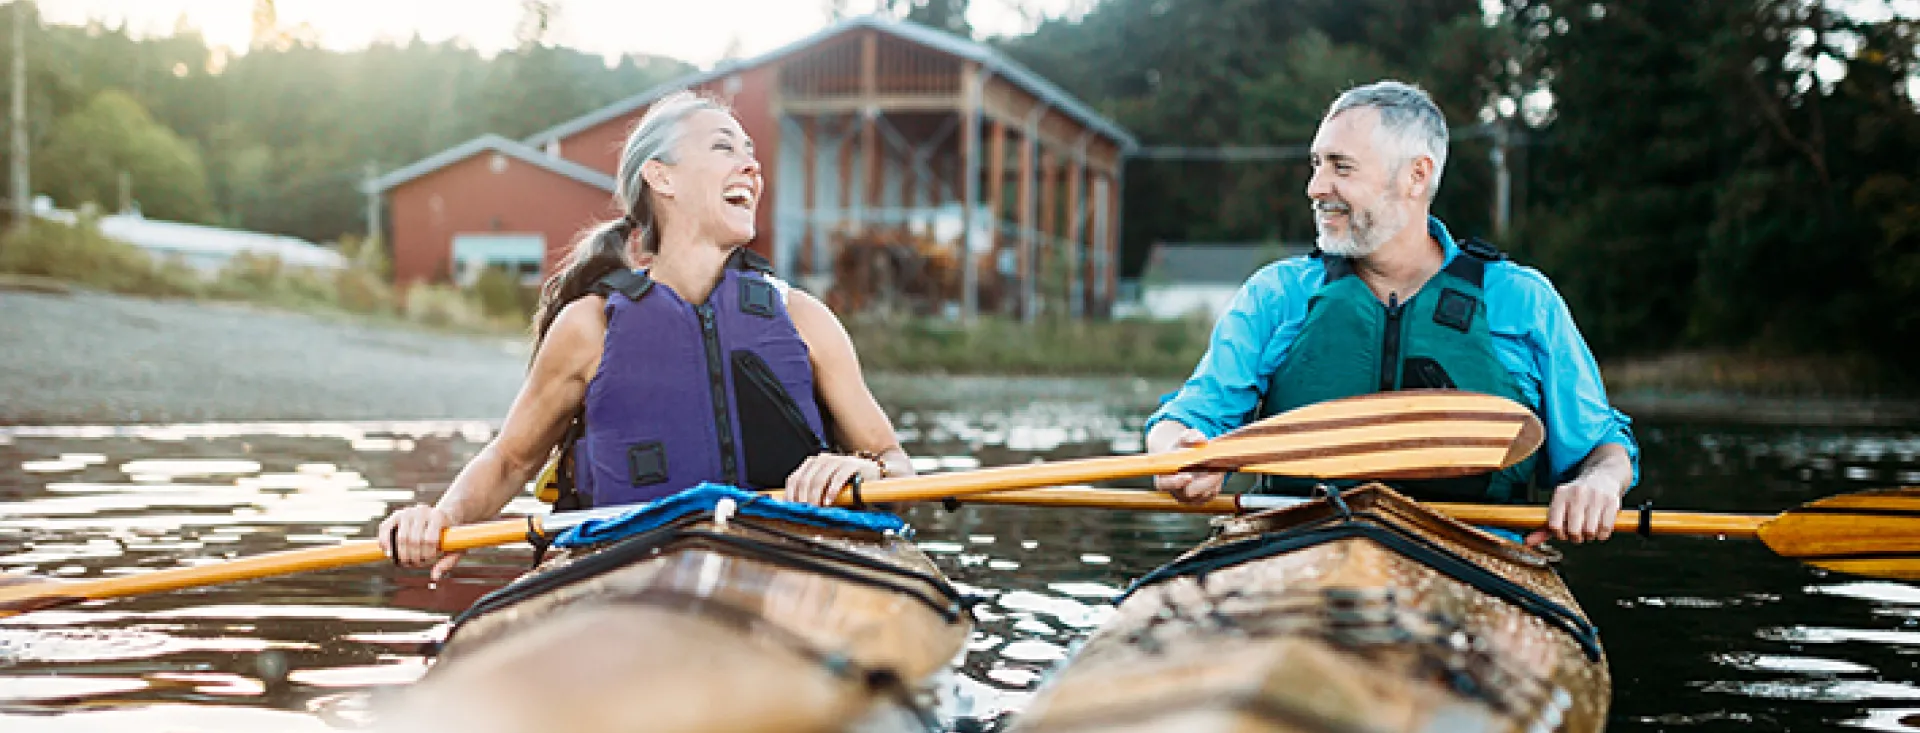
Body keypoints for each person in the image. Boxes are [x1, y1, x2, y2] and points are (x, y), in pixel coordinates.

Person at [377, 91, 912, 578]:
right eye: (725, 148)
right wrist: (443, 516)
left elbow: (895, 466)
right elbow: (510, 461)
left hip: (792, 566)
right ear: (662, 177)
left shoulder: (803, 317)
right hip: (630, 573)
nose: (752, 166)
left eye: (751, 153)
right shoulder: (591, 326)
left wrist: (861, 468)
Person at [1145, 80, 1638, 546]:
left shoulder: (1523, 300)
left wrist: (1600, 482)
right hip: (1297, 549)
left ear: (1415, 175)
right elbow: (1187, 419)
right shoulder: (1277, 295)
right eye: (1316, 164)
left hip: (1476, 555)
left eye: (1341, 167)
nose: (1316, 187)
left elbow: (1601, 447)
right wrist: (1175, 452)